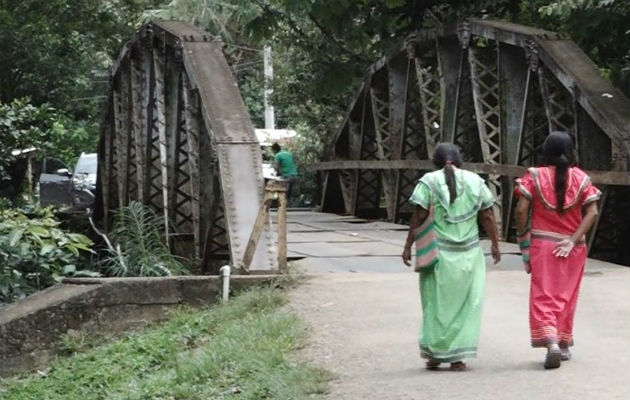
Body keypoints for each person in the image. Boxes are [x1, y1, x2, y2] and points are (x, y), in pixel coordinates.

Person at [402, 143, 501, 371]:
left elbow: (419, 215)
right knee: (466, 304)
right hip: (468, 254)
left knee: (435, 304)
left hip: (438, 255)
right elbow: (487, 215)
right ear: (459, 160)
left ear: (436, 161)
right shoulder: (476, 182)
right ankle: (458, 357)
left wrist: (408, 246)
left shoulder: (428, 181)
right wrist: (495, 244)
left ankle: (435, 354)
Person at [515, 131, 600, 369]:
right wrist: (573, 239)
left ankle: (550, 341)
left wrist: (523, 239)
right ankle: (563, 345)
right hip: (573, 247)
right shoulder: (582, 179)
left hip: (543, 244)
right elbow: (592, 212)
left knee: (544, 294)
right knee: (567, 295)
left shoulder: (535, 176)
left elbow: (522, 210)